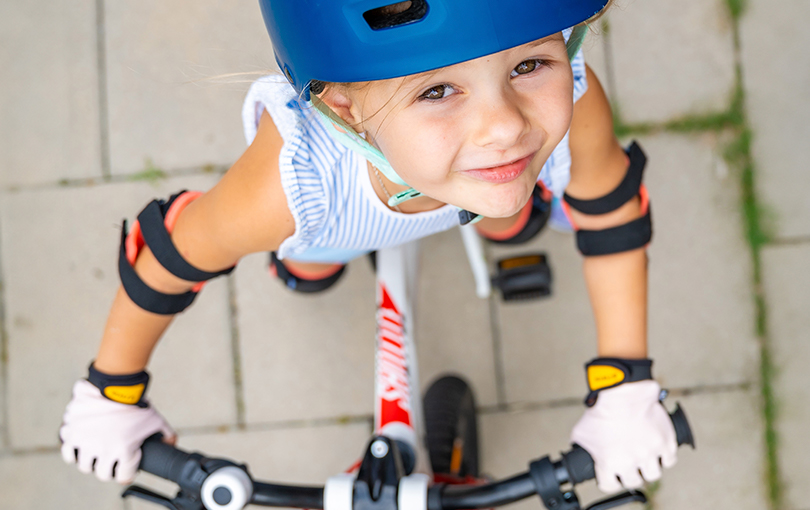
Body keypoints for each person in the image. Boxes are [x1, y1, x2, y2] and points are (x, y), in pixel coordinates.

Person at [59, 0, 678, 494]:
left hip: (466, 193)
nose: (508, 127)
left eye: (528, 65)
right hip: (337, 219)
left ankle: (495, 223)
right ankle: (330, 262)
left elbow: (610, 213)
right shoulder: (292, 185)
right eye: (437, 91)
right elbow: (173, 256)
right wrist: (108, 390)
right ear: (345, 105)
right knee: (309, 259)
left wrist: (626, 381)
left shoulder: (574, 95)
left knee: (510, 207)